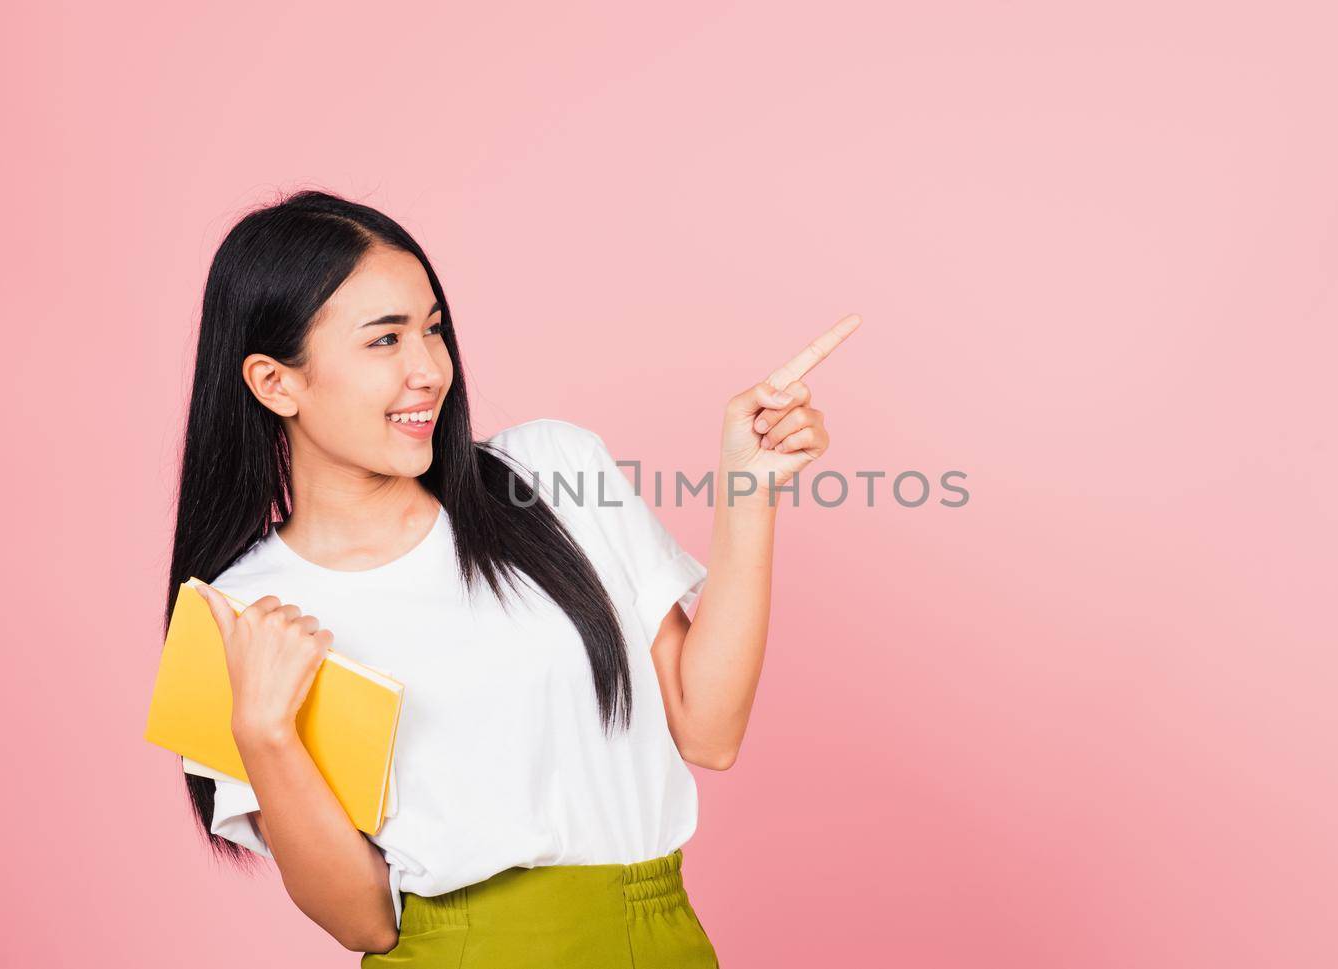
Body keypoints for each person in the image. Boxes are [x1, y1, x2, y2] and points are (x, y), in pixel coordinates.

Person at [162, 189, 858, 966]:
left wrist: (750, 492)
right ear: (276, 382)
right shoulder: (240, 615)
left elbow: (709, 727)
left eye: (432, 329)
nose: (429, 368)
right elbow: (364, 922)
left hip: (661, 936)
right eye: (384, 340)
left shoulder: (550, 471)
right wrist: (265, 733)